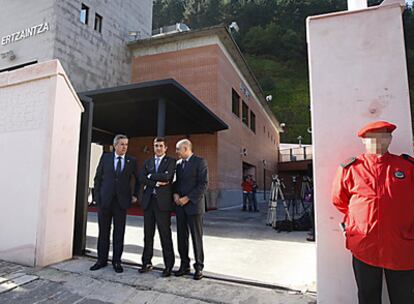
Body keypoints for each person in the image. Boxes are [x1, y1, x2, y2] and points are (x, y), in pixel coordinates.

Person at [331, 121, 414, 304]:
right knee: (368, 297)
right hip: (364, 245)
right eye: (372, 137)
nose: (379, 141)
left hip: (402, 245)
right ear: (364, 141)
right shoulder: (350, 169)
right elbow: (339, 200)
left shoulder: (408, 167)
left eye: (384, 135)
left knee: (404, 297)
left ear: (390, 139)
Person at [90, 134, 139, 273]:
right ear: (115, 145)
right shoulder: (106, 158)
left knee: (119, 233)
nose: (125, 147)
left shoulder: (131, 160)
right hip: (104, 202)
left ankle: (117, 261)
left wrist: (135, 195)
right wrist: (97, 197)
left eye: (126, 145)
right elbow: (98, 178)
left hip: (121, 203)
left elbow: (138, 179)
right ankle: (101, 260)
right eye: (122, 144)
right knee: (103, 232)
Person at [138, 137, 176, 277]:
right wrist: (155, 182)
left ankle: (168, 266)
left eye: (160, 146)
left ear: (165, 148)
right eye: (156, 145)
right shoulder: (148, 161)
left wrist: (151, 175)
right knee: (148, 235)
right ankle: (146, 262)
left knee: (165, 235)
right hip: (149, 202)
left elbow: (167, 177)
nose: (158, 148)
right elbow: (142, 178)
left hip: (163, 204)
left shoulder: (171, 162)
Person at [173, 139, 208, 280]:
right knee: (182, 237)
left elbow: (203, 184)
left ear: (186, 148)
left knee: (196, 238)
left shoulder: (200, 162)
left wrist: (187, 198)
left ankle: (199, 267)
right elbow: (176, 183)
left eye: (178, 149)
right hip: (180, 207)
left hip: (194, 206)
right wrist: (175, 194)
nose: (176, 152)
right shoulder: (178, 164)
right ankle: (184, 265)